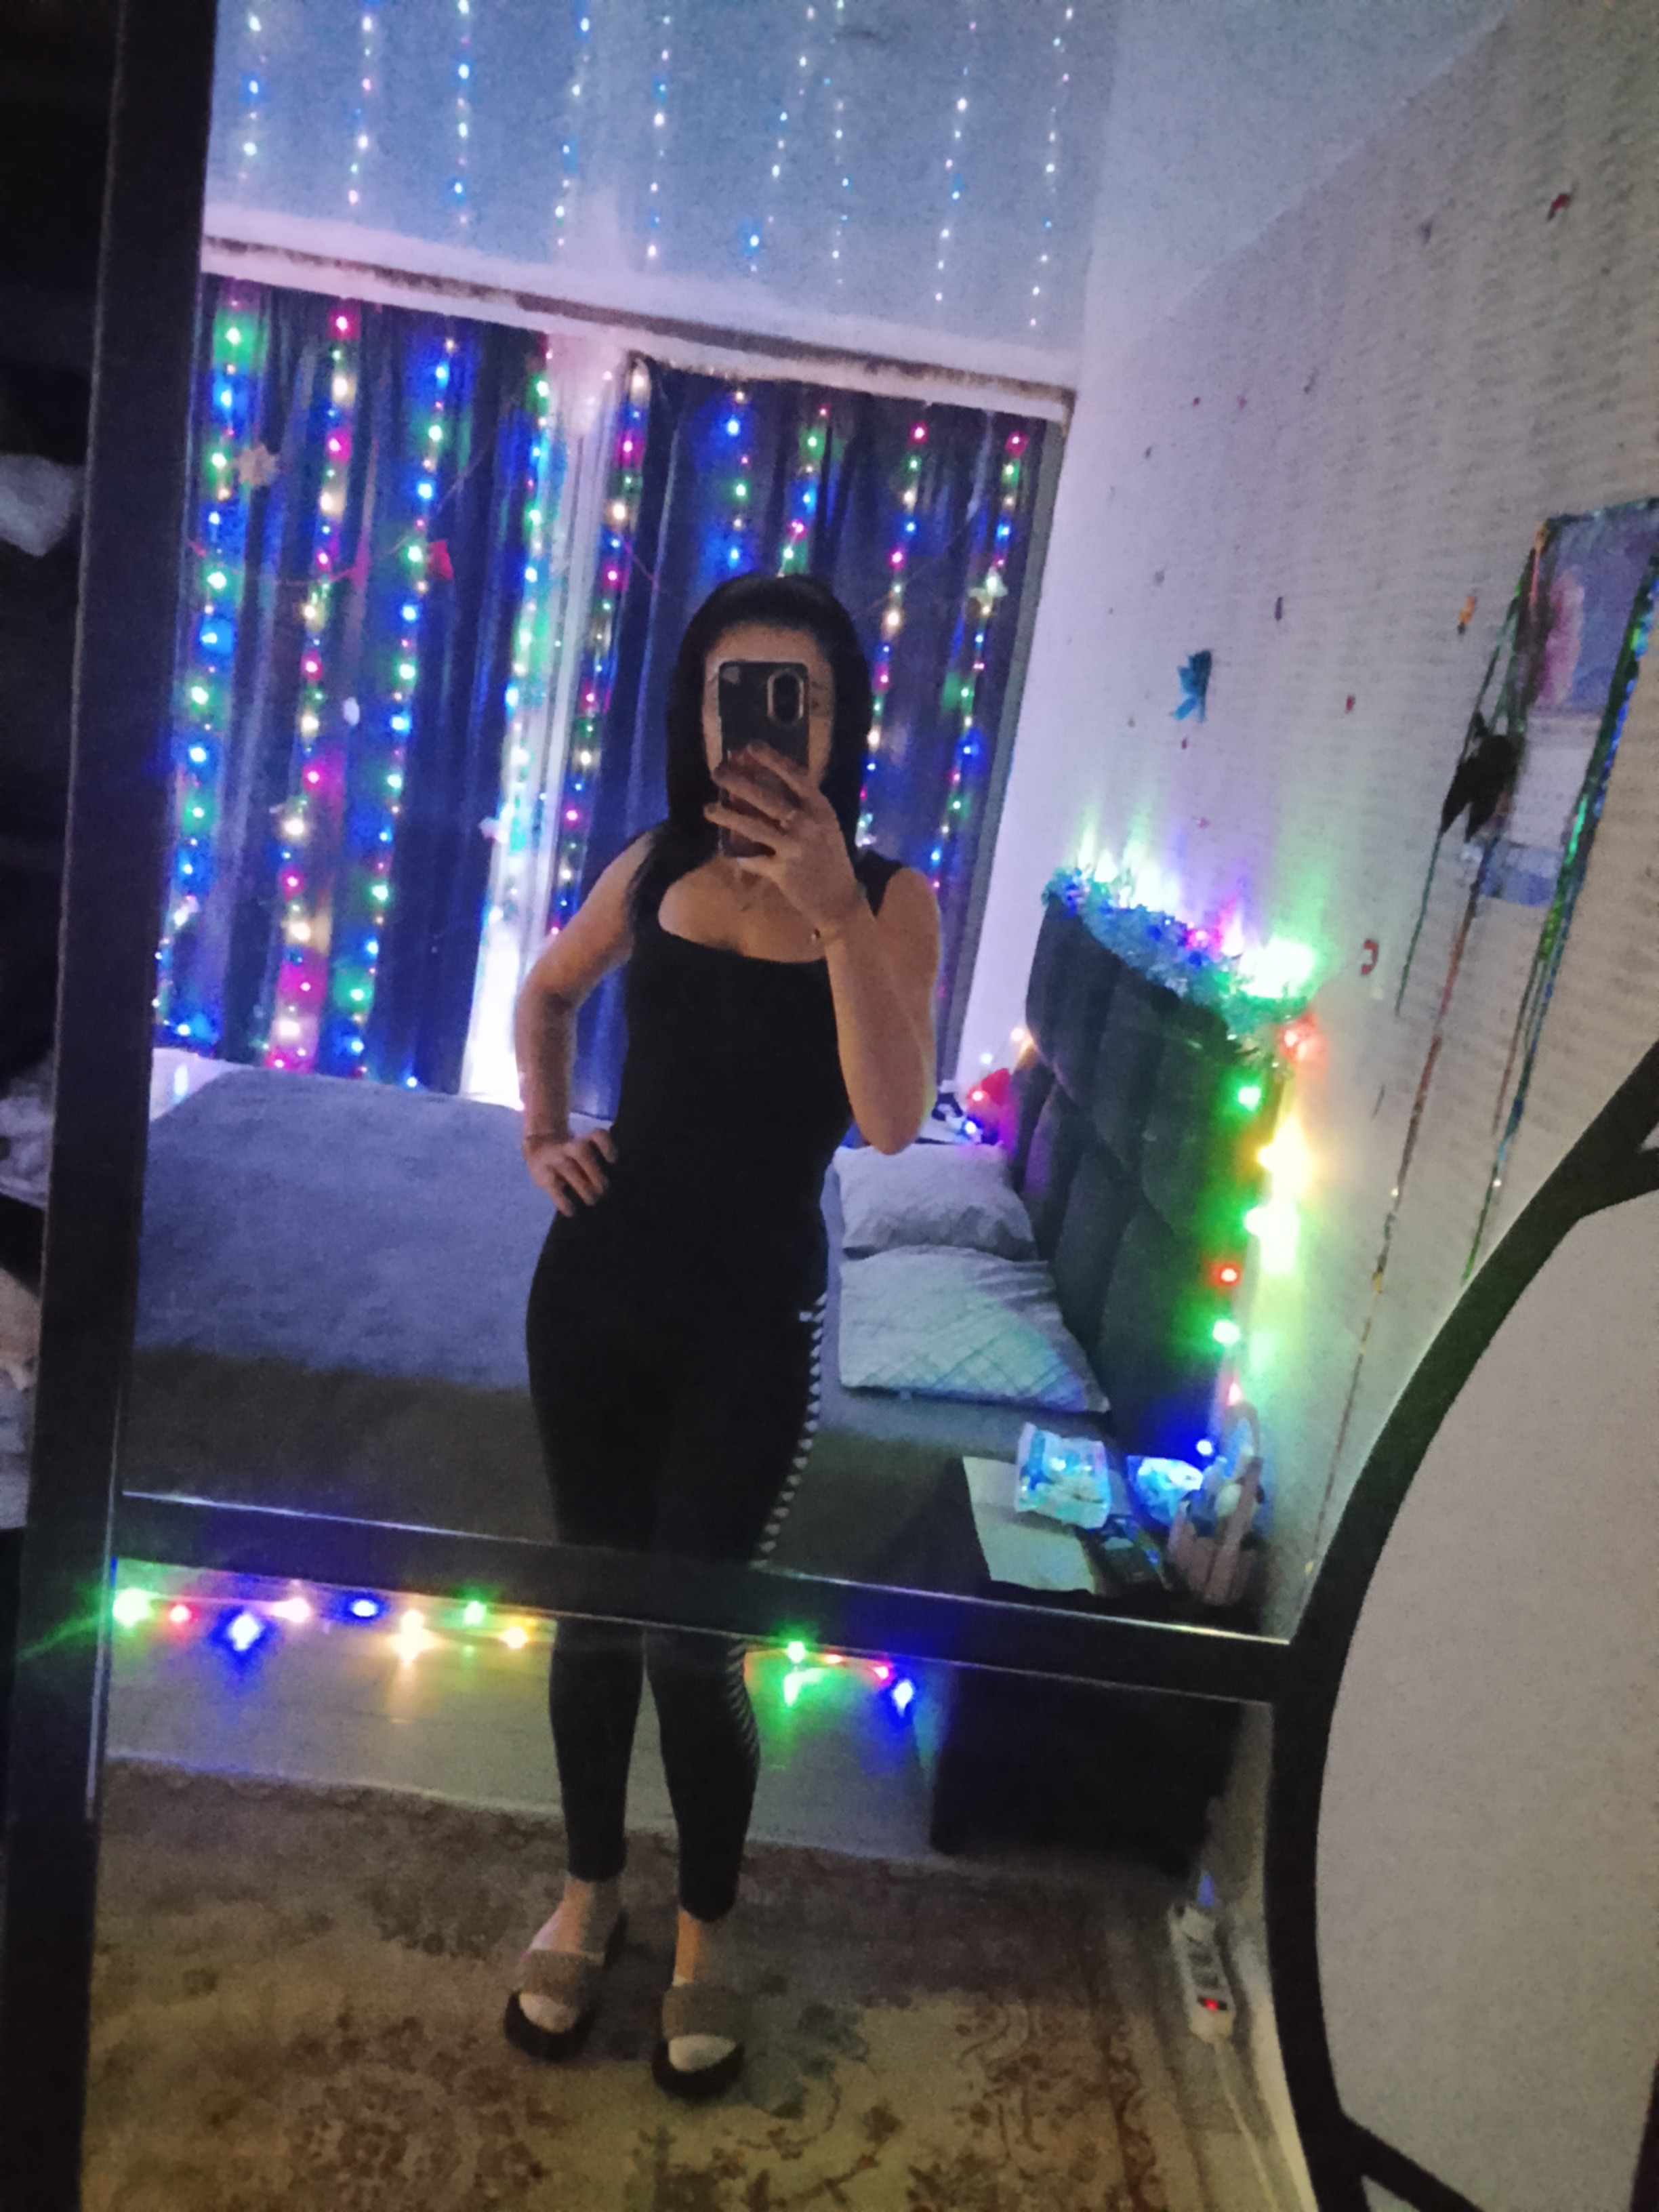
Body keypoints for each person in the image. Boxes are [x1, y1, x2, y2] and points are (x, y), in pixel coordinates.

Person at [504, 573, 939, 2098]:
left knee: (695, 1649)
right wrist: (542, 1131)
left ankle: (704, 1928)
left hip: (754, 1318)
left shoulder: (891, 899)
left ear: (837, 720)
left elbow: (892, 1121)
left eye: (791, 696)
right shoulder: (653, 864)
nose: (757, 724)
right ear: (695, 713)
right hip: (595, 1294)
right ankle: (588, 1890)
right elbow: (547, 993)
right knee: (592, 1612)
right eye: (730, 692)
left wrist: (834, 914)